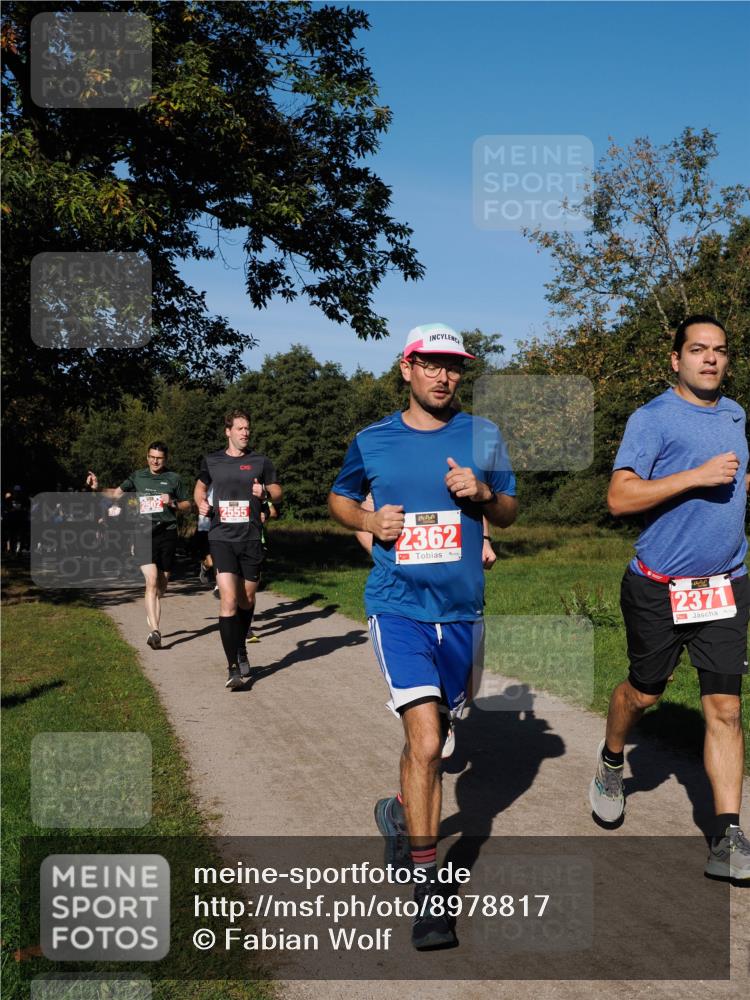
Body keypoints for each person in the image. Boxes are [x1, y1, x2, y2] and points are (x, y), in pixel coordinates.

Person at [328, 323, 517, 949]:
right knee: (429, 738)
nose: (444, 376)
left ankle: (399, 813)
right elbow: (339, 496)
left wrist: (485, 494)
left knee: (436, 737)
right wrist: (366, 519)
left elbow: (511, 510)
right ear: (406, 367)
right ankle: (430, 887)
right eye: (431, 365)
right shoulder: (372, 439)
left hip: (462, 614)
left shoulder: (482, 435)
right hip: (397, 608)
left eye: (454, 366)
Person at [589, 315, 750, 884]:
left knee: (726, 708)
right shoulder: (651, 418)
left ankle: (728, 834)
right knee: (645, 693)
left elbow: (735, 481)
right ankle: (612, 761)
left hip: (725, 584)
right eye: (698, 350)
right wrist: (696, 476)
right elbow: (619, 496)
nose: (710, 359)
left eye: (720, 351)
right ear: (675, 360)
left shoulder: (735, 415)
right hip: (659, 587)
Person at [354, 493, 497, 759]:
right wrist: (384, 555)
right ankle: (408, 795)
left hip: (458, 597)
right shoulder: (382, 461)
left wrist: (484, 540)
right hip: (399, 604)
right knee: (425, 736)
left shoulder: (455, 458)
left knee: (470, 690)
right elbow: (362, 512)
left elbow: (477, 499)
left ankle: (444, 711)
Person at [194, 409, 282, 689]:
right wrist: (201, 504)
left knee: (246, 599)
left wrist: (265, 494)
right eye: (240, 428)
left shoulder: (260, 461)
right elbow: (199, 488)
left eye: (248, 428)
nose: (245, 433)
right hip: (221, 537)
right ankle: (232, 665)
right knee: (229, 599)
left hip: (251, 537)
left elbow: (278, 490)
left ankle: (241, 646)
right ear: (228, 431)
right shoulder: (212, 461)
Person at [87, 442, 191, 648]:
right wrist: (97, 487)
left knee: (162, 585)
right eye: (152, 457)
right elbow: (116, 493)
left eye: (159, 458)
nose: (155, 461)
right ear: (147, 457)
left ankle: (152, 611)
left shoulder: (174, 479)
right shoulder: (138, 476)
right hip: (143, 532)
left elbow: (188, 506)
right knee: (151, 581)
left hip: (167, 533)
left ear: (166, 459)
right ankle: (155, 631)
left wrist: (172, 503)